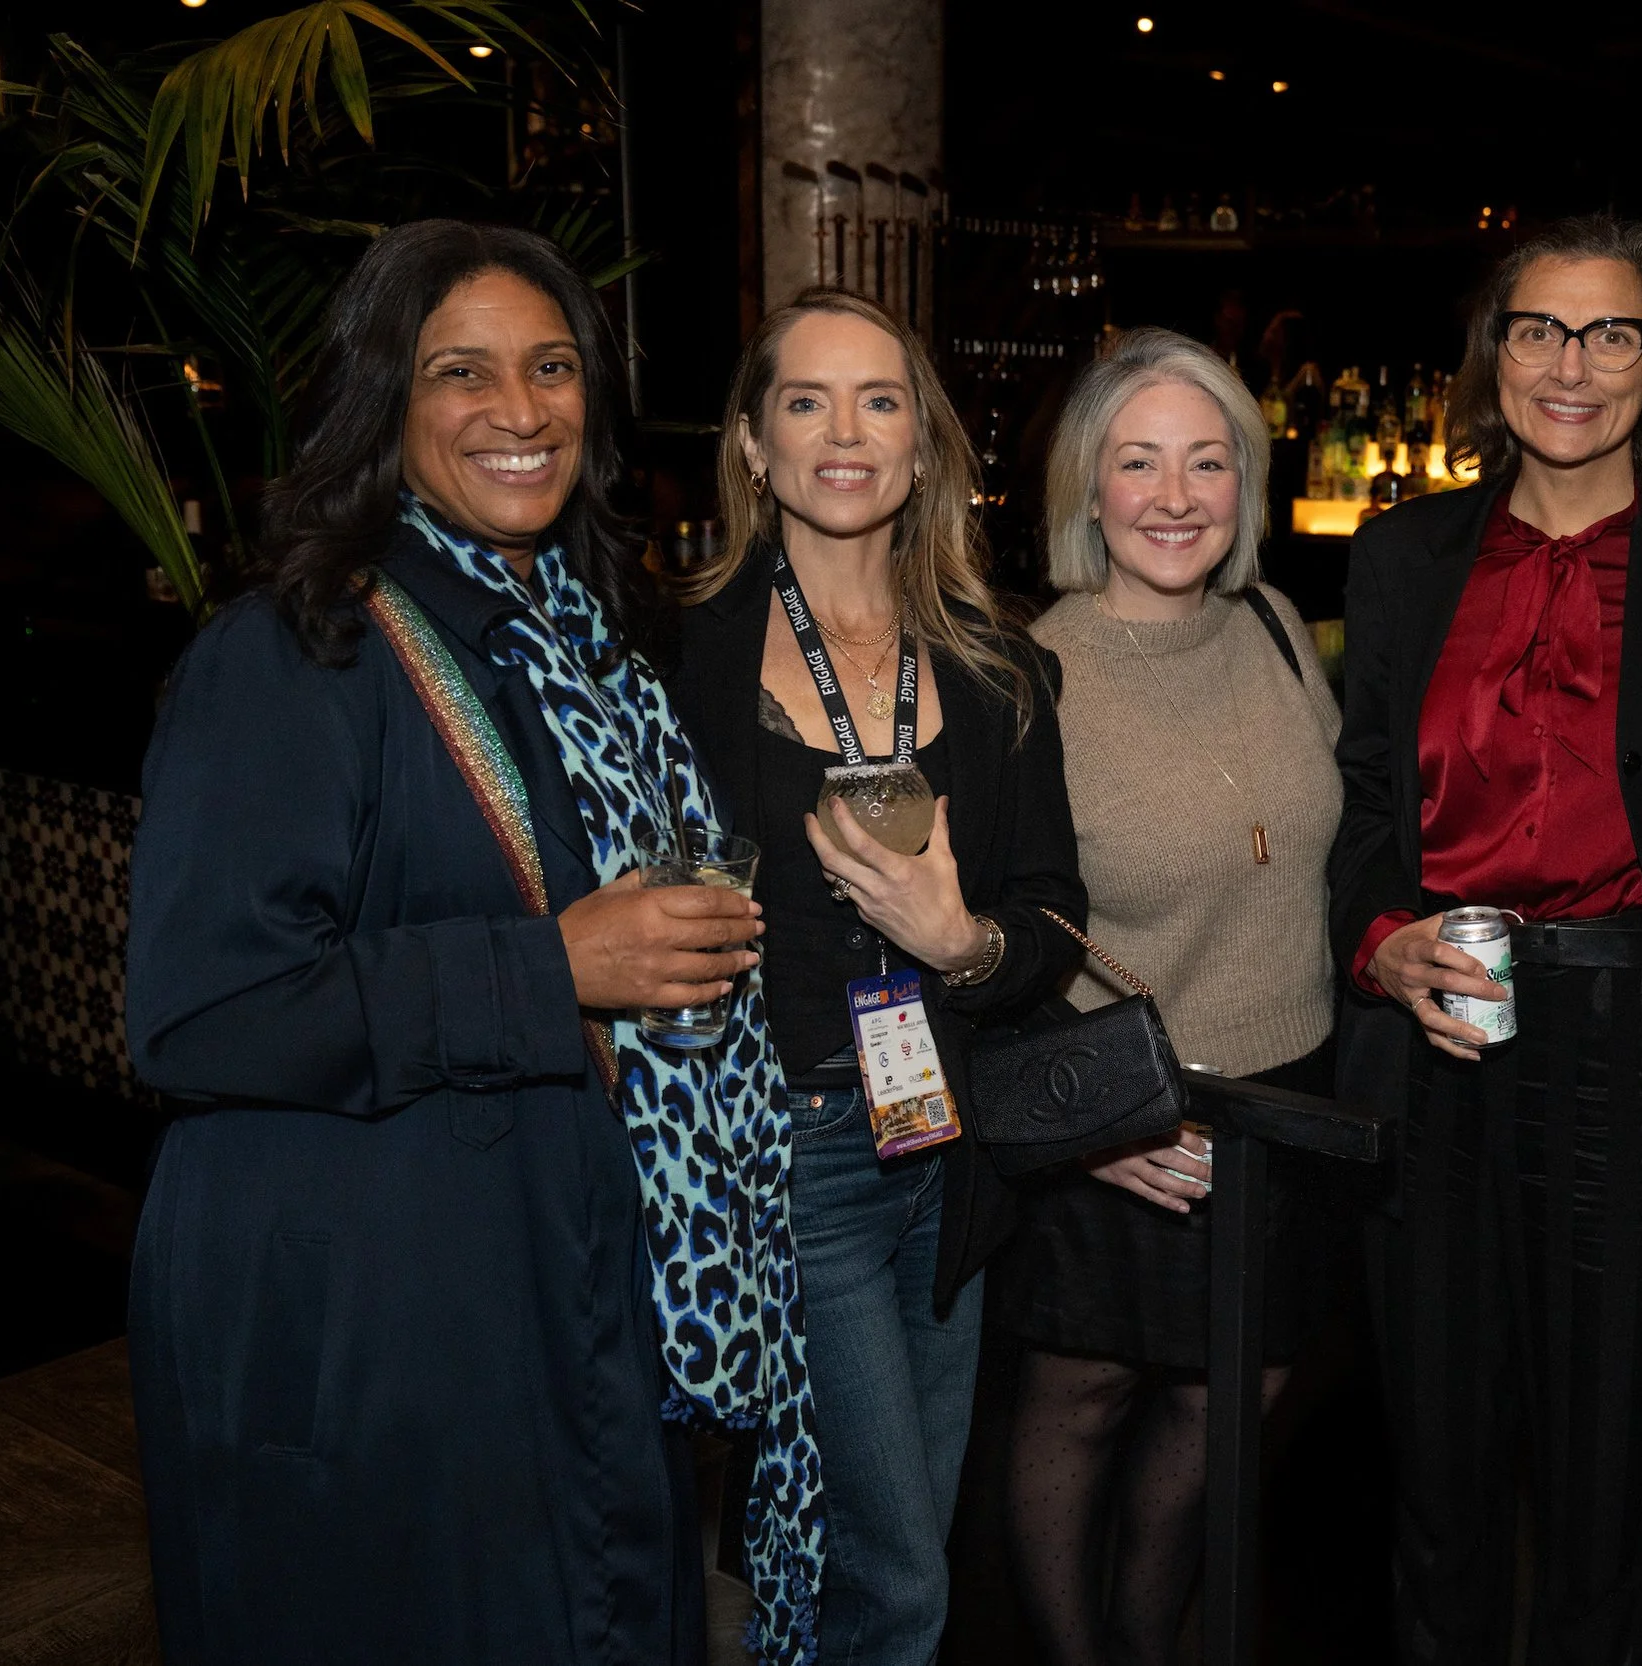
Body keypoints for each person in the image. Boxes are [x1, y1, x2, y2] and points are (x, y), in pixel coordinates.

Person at [126, 221, 821, 1663]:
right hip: (379, 1337)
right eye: (464, 371)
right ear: (384, 401)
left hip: (557, 1302)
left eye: (553, 366)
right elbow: (201, 1012)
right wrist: (549, 968)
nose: (521, 409)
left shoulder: (583, 646)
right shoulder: (295, 651)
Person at [664, 288, 1085, 1666]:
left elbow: (1055, 917)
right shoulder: (677, 658)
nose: (846, 433)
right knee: (896, 1570)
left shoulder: (1001, 667)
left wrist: (962, 941)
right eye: (807, 402)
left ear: (924, 447)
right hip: (789, 1160)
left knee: (886, 1551)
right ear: (753, 445)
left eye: (881, 401)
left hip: (945, 1149)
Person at [1328, 214, 1642, 1665]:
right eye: (1540, 330)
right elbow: (1365, 795)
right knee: (1435, 1449)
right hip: (1437, 1037)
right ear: (1494, 358)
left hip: (1629, 1040)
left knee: (1608, 1465)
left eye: (1611, 332)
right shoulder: (1404, 554)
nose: (1572, 364)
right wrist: (1377, 940)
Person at [997, 327, 1345, 1666]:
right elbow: (999, 934)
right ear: (1088, 488)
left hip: (1285, 1097)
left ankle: (1149, 1643)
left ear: (1247, 485)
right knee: (1081, 1394)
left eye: (1209, 461)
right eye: (1138, 462)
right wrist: (1094, 1122)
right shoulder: (1036, 672)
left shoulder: (1267, 625)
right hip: (1127, 1102)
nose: (1176, 494)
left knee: (1235, 1393)